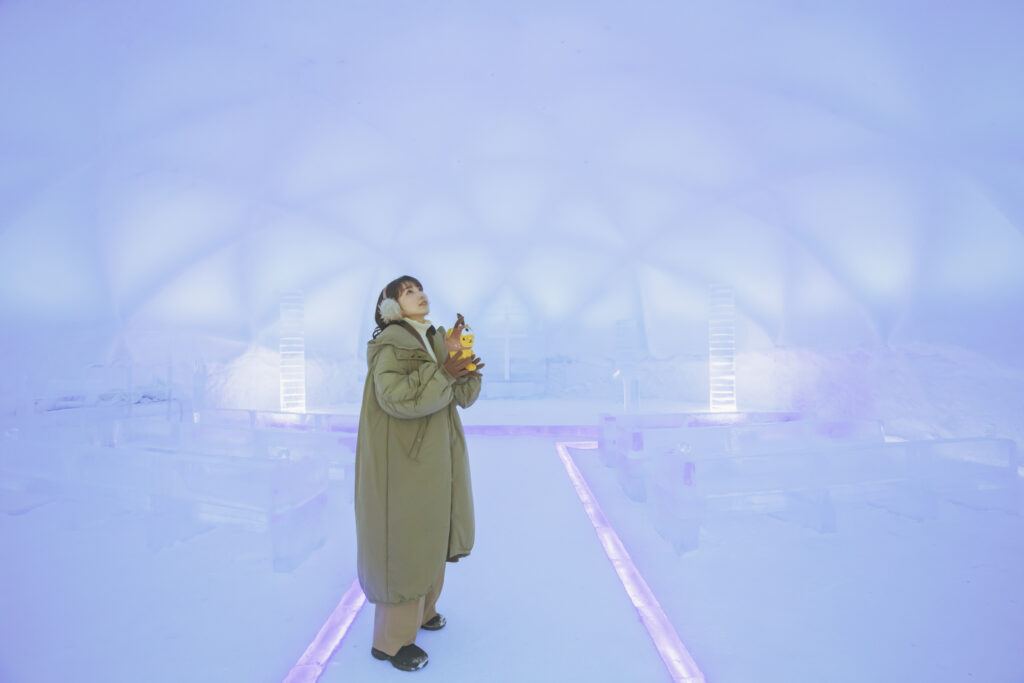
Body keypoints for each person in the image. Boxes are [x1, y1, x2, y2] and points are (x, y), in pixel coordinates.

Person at [354, 275, 484, 672]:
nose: (419, 294)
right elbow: (396, 399)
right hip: (403, 462)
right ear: (392, 306)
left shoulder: (434, 338)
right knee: (405, 546)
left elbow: (462, 397)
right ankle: (391, 642)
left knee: (432, 535)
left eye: (420, 288)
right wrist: (444, 372)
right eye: (408, 291)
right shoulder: (391, 344)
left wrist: (464, 361)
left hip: (435, 458)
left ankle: (424, 612)